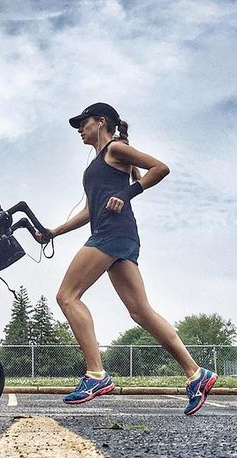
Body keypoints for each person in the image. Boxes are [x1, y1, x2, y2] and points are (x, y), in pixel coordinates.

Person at [36, 102, 217, 416]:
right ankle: (196, 373)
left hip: (112, 234)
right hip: (119, 235)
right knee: (140, 311)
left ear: (101, 121)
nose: (80, 129)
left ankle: (96, 374)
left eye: (84, 122)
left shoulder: (115, 149)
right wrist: (55, 231)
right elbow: (91, 209)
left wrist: (129, 194)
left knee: (67, 296)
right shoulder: (99, 161)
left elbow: (160, 168)